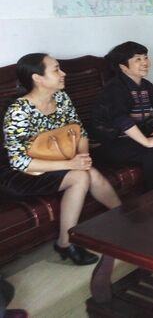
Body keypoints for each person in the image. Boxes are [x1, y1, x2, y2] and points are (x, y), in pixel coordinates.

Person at [1, 53, 121, 265]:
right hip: (22, 173)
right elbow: (19, 161)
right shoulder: (19, 110)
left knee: (89, 172)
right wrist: (71, 164)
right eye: (56, 69)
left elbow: (79, 131)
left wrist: (83, 157)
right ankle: (65, 243)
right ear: (38, 78)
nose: (63, 73)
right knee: (80, 177)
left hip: (58, 160)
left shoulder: (61, 98)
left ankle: (124, 218)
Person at [91, 42, 153, 191]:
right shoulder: (115, 88)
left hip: (137, 134)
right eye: (138, 59)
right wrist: (146, 141)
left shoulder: (146, 85)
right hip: (112, 142)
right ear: (123, 67)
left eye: (145, 57)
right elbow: (121, 120)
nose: (145, 62)